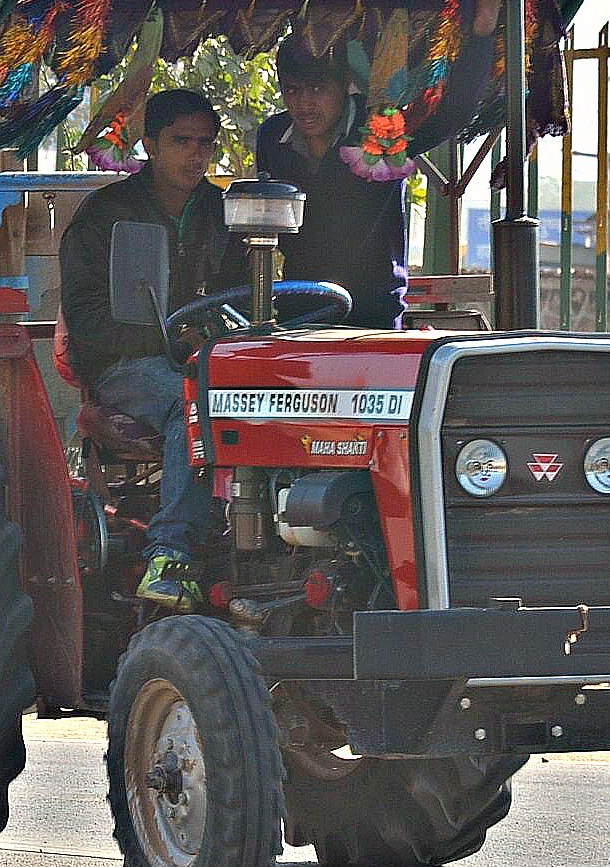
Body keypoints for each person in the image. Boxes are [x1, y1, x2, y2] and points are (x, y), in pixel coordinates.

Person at [58, 88, 239, 612]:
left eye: (205, 143)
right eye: (181, 141)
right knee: (195, 404)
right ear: (150, 144)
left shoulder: (223, 212)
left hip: (209, 361)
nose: (195, 155)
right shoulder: (105, 215)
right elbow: (88, 322)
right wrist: (162, 338)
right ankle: (170, 555)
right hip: (125, 369)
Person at [254, 33, 408, 328]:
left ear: (345, 84)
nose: (304, 103)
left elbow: (449, 115)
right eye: (292, 90)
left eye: (317, 89)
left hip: (374, 313)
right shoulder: (272, 137)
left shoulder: (380, 128)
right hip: (299, 307)